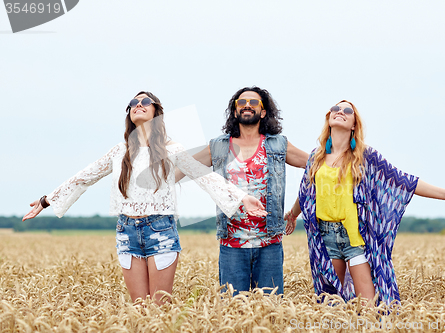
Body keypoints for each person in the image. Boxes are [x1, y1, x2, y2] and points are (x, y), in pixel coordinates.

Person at [22, 91, 267, 305]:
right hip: (126, 231)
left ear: (157, 112)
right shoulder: (119, 151)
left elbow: (202, 175)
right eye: (133, 102)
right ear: (128, 113)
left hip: (160, 230)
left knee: (159, 309)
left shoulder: (171, 150)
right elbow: (83, 177)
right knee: (140, 310)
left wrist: (241, 197)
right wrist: (46, 201)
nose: (138, 104)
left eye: (145, 101)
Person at [284, 100, 445, 306]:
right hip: (325, 237)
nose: (340, 112)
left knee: (370, 306)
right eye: (335, 109)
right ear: (328, 119)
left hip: (356, 238)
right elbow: (306, 193)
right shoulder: (316, 157)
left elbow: (403, 181)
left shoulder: (365, 157)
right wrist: (293, 214)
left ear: (354, 124)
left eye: (347, 110)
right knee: (329, 304)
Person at [178, 86, 308, 295]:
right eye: (241, 102)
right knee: (232, 311)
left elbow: (315, 166)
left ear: (263, 112)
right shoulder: (218, 146)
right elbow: (183, 168)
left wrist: (295, 211)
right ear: (235, 110)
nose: (247, 105)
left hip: (270, 243)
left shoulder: (278, 144)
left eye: (254, 102)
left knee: (270, 312)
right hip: (232, 244)